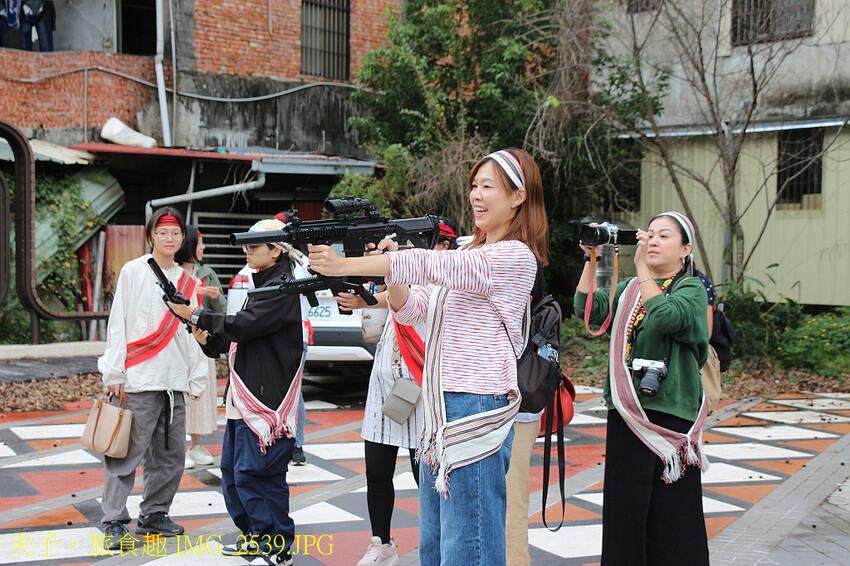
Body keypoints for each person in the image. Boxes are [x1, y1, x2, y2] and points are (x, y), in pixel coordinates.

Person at [308, 149, 549, 566]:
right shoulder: (468, 248)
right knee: (436, 545)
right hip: (436, 410)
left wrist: (345, 263)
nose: (476, 194)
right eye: (474, 185)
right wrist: (389, 269)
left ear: (517, 197)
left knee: (467, 544)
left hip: (477, 405)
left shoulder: (513, 256)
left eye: (487, 186)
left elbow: (428, 264)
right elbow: (413, 307)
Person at [574, 211, 710, 566]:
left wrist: (643, 273)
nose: (652, 241)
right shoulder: (630, 289)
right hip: (628, 414)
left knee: (672, 517)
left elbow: (668, 318)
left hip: (671, 415)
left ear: (685, 250)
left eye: (664, 236)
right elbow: (587, 311)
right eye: (649, 234)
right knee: (625, 513)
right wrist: (591, 258)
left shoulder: (691, 288)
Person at [169, 218, 304, 566]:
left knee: (257, 475)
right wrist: (208, 340)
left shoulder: (282, 286)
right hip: (245, 399)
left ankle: (275, 546)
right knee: (234, 475)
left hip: (264, 405)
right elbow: (238, 338)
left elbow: (246, 325)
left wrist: (197, 313)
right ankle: (258, 539)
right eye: (245, 246)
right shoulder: (266, 283)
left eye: (253, 247)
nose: (247, 252)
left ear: (276, 249)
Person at [334, 216, 459, 566]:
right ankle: (382, 542)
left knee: (428, 477)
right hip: (387, 385)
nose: (424, 249)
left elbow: (412, 290)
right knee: (376, 470)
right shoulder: (404, 272)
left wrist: (371, 298)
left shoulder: (449, 277)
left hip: (424, 388)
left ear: (447, 246)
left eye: (432, 242)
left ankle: (438, 542)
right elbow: (392, 293)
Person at [97, 207, 207, 550]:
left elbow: (191, 334)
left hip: (173, 381)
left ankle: (155, 514)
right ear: (151, 236)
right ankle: (113, 519)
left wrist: (196, 377)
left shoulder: (189, 281)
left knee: (171, 455)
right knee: (125, 453)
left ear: (182, 238)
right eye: (163, 232)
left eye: (175, 233)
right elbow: (118, 323)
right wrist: (114, 371)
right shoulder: (133, 271)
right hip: (138, 379)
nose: (170, 239)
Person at [175, 226, 227, 469]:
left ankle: (195, 445)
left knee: (200, 395)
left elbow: (222, 310)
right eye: (199, 243)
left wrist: (214, 296)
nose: (203, 248)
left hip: (200, 340)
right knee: (178, 392)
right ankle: (176, 446)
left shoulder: (207, 273)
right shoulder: (170, 272)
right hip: (175, 343)